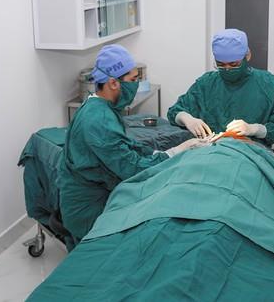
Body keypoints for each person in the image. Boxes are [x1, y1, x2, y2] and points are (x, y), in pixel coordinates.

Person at [58, 44, 205, 243]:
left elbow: (126, 146)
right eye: (133, 80)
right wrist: (174, 153)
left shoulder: (98, 106)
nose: (136, 85)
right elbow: (132, 168)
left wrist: (155, 154)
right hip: (89, 209)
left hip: (97, 192)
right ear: (113, 83)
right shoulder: (98, 120)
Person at [167, 28, 274, 145]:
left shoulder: (269, 85)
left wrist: (255, 129)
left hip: (249, 153)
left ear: (247, 56)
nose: (227, 69)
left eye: (233, 64)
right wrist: (187, 119)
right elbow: (175, 111)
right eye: (221, 64)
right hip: (209, 151)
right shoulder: (206, 84)